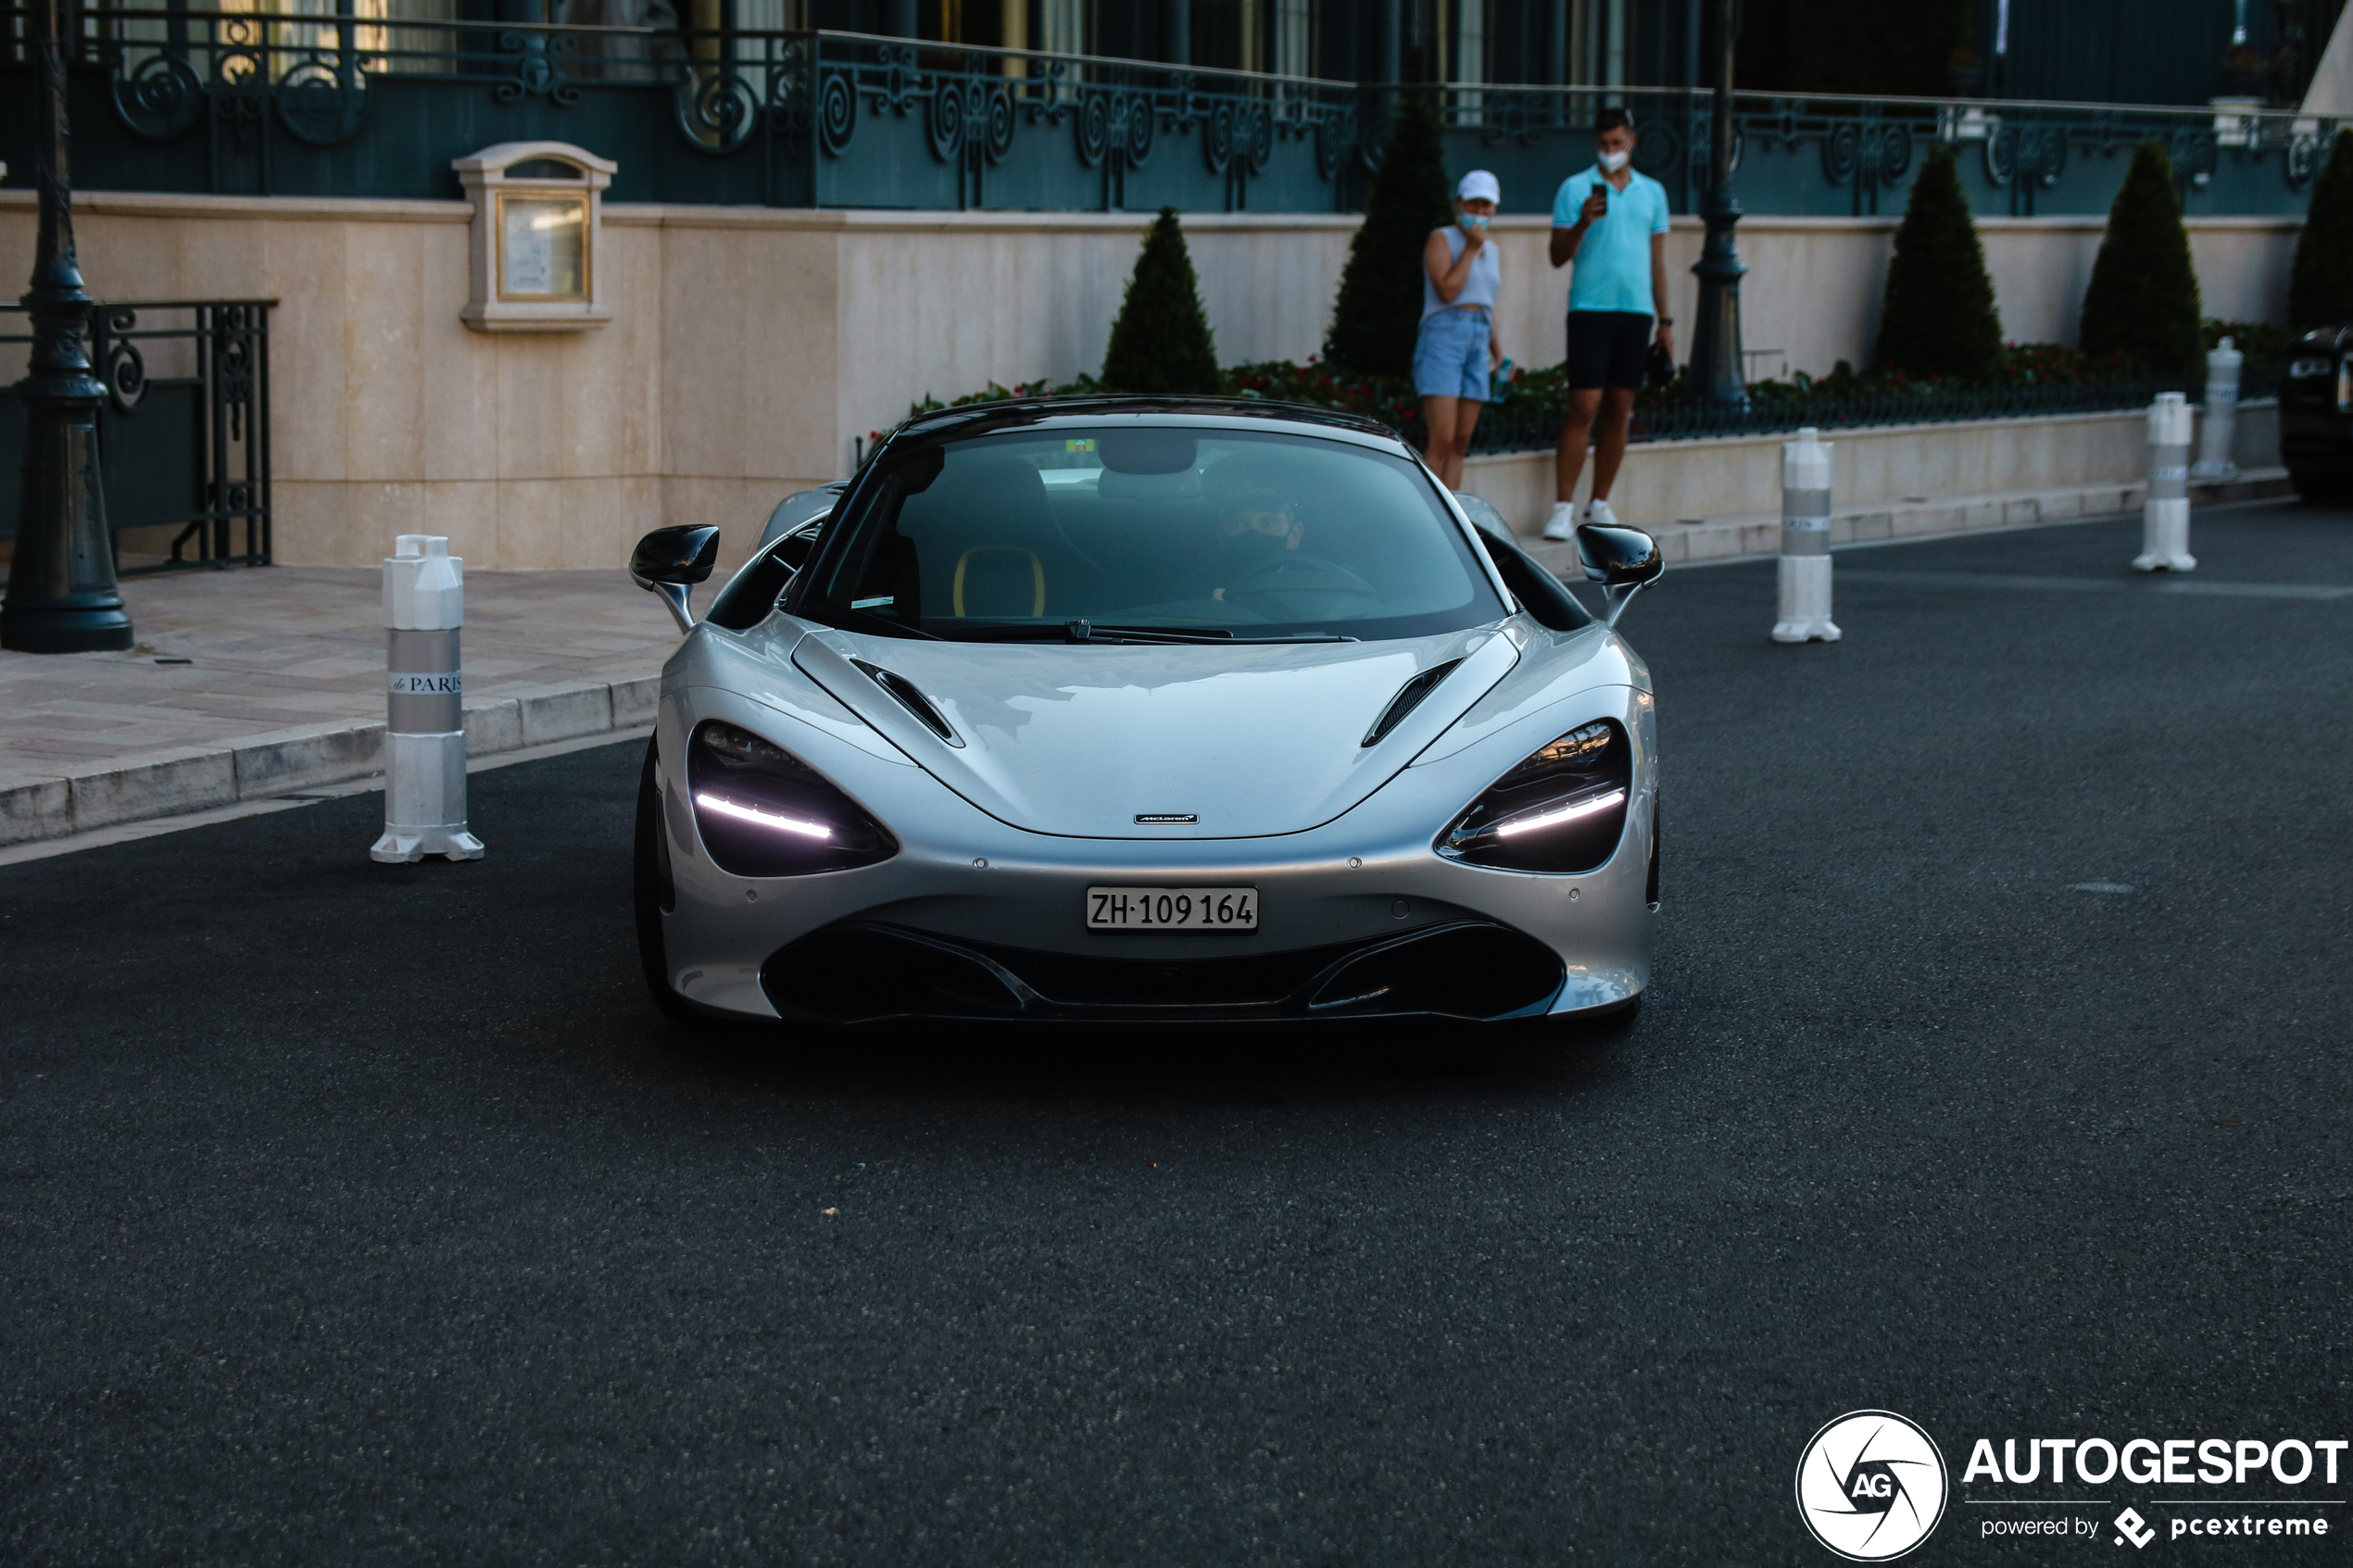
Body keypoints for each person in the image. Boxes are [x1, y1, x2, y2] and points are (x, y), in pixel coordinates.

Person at [1543, 108, 1673, 540]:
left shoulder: (1652, 192)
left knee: (1620, 408)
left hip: (1636, 313)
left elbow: (1658, 262)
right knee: (1583, 407)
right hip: (1589, 310)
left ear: (1632, 142)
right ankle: (1562, 506)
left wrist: (1666, 321)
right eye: (1604, 145)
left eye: (1618, 144)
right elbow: (1557, 255)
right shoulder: (1575, 189)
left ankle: (1598, 501)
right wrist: (1583, 219)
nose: (1611, 152)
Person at [1414, 169, 1505, 491]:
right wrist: (1469, 249)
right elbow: (1447, 292)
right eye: (1474, 204)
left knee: (1461, 442)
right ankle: (1423, 515)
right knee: (1442, 438)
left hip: (1478, 339)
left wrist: (1500, 355)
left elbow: (1486, 306)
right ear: (1460, 203)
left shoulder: (1492, 250)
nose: (1480, 212)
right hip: (1444, 335)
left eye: (1487, 205)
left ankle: (1452, 521)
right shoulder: (1442, 238)